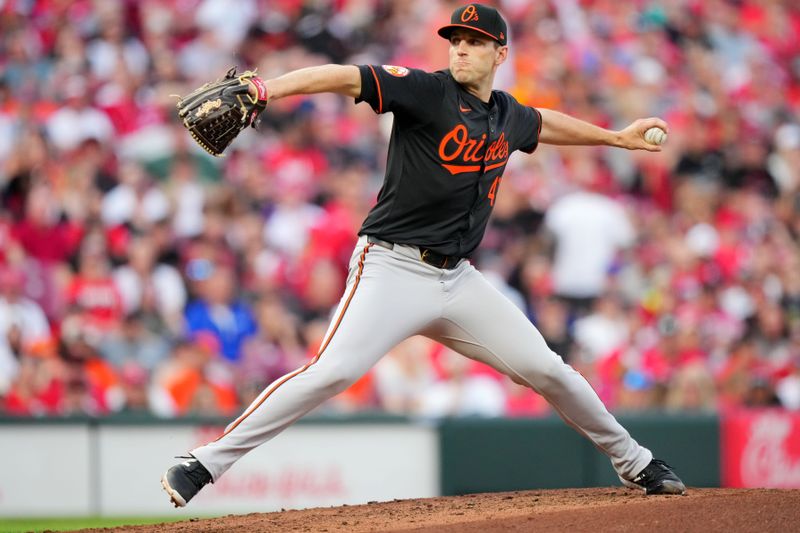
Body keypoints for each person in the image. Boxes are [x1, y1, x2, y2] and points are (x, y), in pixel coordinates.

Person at [162, 3, 685, 507]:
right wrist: (264, 88)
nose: (460, 50)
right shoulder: (425, 91)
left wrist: (617, 139)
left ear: (499, 53)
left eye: (474, 42)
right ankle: (204, 462)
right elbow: (345, 76)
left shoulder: (507, 114)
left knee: (549, 370)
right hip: (391, 267)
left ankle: (637, 461)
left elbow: (544, 124)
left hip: (458, 281)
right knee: (331, 372)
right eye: (455, 40)